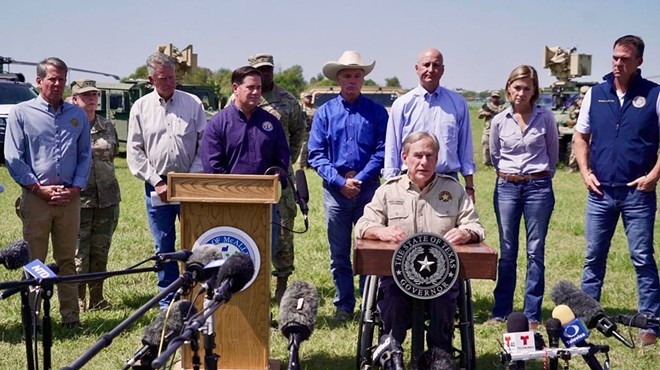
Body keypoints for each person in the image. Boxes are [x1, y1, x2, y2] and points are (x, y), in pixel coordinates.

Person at [355, 131, 485, 352]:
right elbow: (363, 225)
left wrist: (466, 233)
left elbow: (476, 226)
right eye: (418, 155)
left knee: (444, 302)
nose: (424, 162)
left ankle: (439, 354)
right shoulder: (388, 191)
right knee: (393, 301)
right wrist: (380, 231)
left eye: (430, 156)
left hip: (442, 277)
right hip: (398, 275)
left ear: (437, 159)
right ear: (405, 157)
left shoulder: (453, 190)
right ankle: (391, 350)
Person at [574, 35, 660, 346]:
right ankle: (586, 317)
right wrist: (585, 173)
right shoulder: (596, 94)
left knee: (641, 257)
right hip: (600, 194)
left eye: (625, 58)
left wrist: (653, 176)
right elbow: (581, 137)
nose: (618, 63)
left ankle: (650, 322)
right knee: (593, 256)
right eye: (614, 57)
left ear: (639, 61)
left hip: (638, 193)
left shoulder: (654, 95)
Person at [4, 57, 91, 328]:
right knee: (35, 260)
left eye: (61, 79)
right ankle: (33, 319)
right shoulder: (21, 113)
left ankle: (70, 318)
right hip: (36, 198)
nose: (57, 84)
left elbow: (85, 155)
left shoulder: (76, 116)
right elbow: (13, 157)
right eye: (52, 78)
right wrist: (37, 188)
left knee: (67, 259)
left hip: (69, 199)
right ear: (38, 81)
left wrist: (75, 187)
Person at [308, 50, 388, 320]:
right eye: (347, 76)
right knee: (339, 251)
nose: (352, 80)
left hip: (368, 190)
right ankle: (344, 304)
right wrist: (340, 181)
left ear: (363, 79)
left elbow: (382, 150)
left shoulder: (377, 113)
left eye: (356, 75)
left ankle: (369, 303)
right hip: (336, 191)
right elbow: (316, 154)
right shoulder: (324, 113)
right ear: (338, 80)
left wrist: (360, 178)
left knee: (369, 249)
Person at [127, 52, 207, 309]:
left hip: (189, 183)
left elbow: (203, 144)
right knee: (164, 243)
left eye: (172, 77)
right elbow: (135, 151)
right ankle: (168, 300)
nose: (169, 83)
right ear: (151, 79)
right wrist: (156, 181)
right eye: (163, 79)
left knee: (195, 241)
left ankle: (196, 292)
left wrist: (189, 178)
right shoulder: (140, 108)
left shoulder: (192, 103)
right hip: (156, 185)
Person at [225, 54, 304, 302]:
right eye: (259, 70)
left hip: (279, 179)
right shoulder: (235, 99)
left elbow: (297, 136)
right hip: (245, 181)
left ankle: (281, 282)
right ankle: (250, 282)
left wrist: (281, 166)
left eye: (268, 70)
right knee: (245, 229)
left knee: (282, 232)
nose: (265, 74)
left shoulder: (288, 101)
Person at [489, 65, 558, 330]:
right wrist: (509, 175)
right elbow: (495, 155)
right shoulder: (499, 121)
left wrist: (538, 176)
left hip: (538, 187)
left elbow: (552, 153)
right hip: (506, 186)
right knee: (507, 251)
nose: (521, 93)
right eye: (516, 87)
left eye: (527, 88)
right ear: (508, 89)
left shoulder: (546, 117)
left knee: (535, 251)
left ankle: (531, 313)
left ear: (534, 91)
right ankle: (501, 309)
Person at [383, 48, 476, 202]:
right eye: (426, 65)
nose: (431, 70)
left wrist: (469, 186)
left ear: (443, 70)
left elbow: (465, 148)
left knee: (448, 225)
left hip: (447, 181)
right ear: (417, 69)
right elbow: (392, 147)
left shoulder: (458, 103)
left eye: (436, 65)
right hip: (410, 181)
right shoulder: (402, 104)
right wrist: (390, 185)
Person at [70, 80, 121, 311]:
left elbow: (113, 155)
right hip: (80, 199)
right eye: (85, 95)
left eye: (94, 94)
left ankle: (97, 298)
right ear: (74, 99)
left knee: (101, 250)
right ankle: (78, 298)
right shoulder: (68, 126)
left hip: (107, 197)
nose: (91, 99)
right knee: (80, 251)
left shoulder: (107, 125)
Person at [566, 85, 589, 172]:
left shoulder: (594, 101)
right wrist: (575, 112)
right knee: (575, 146)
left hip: (591, 128)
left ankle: (589, 167)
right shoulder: (577, 102)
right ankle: (573, 166)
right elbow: (571, 114)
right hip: (579, 127)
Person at [478, 91, 505, 166]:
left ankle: (497, 161)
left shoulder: (502, 107)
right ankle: (487, 162)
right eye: (493, 97)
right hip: (488, 130)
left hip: (499, 130)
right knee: (486, 144)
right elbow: (479, 114)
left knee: (498, 147)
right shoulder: (487, 106)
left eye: (496, 97)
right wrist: (485, 113)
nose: (495, 99)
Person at [297, 91, 317, 169]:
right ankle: (301, 164)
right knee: (303, 148)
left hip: (312, 131)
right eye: (307, 97)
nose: (309, 99)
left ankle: (309, 164)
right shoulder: (300, 107)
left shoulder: (314, 108)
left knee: (311, 148)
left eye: (310, 97)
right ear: (302, 98)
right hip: (303, 131)